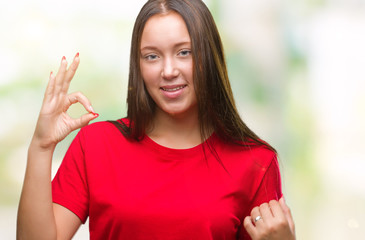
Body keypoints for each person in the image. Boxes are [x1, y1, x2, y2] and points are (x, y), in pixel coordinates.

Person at [17, 0, 295, 239]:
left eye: (184, 52)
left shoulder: (256, 162)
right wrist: (41, 146)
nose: (168, 70)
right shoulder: (96, 145)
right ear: (138, 66)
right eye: (152, 56)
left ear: (208, 57)